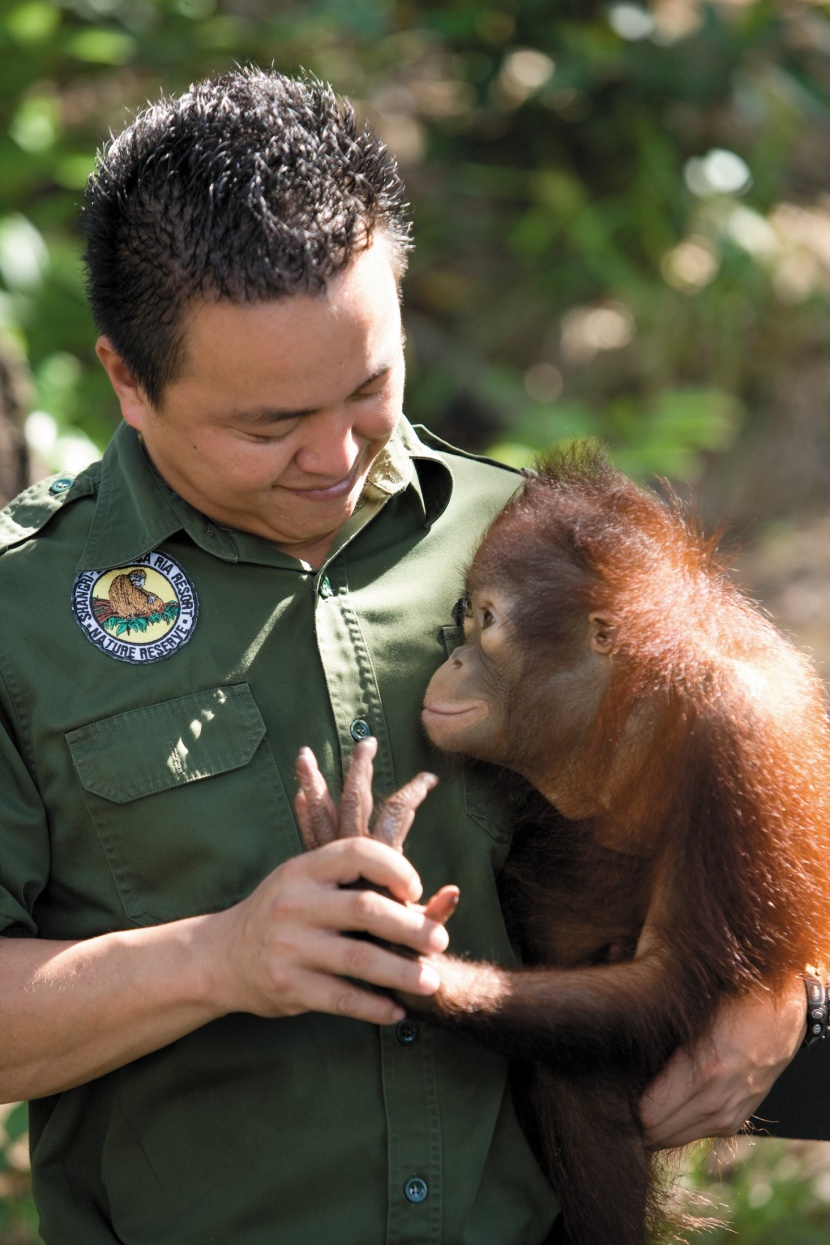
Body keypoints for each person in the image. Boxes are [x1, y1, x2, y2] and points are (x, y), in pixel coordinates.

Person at [0, 68, 806, 1244]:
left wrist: (774, 983)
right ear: (126, 379)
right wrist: (221, 959)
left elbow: (734, 789)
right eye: (264, 426)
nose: (333, 455)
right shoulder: (23, 610)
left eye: (369, 387)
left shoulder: (538, 556)